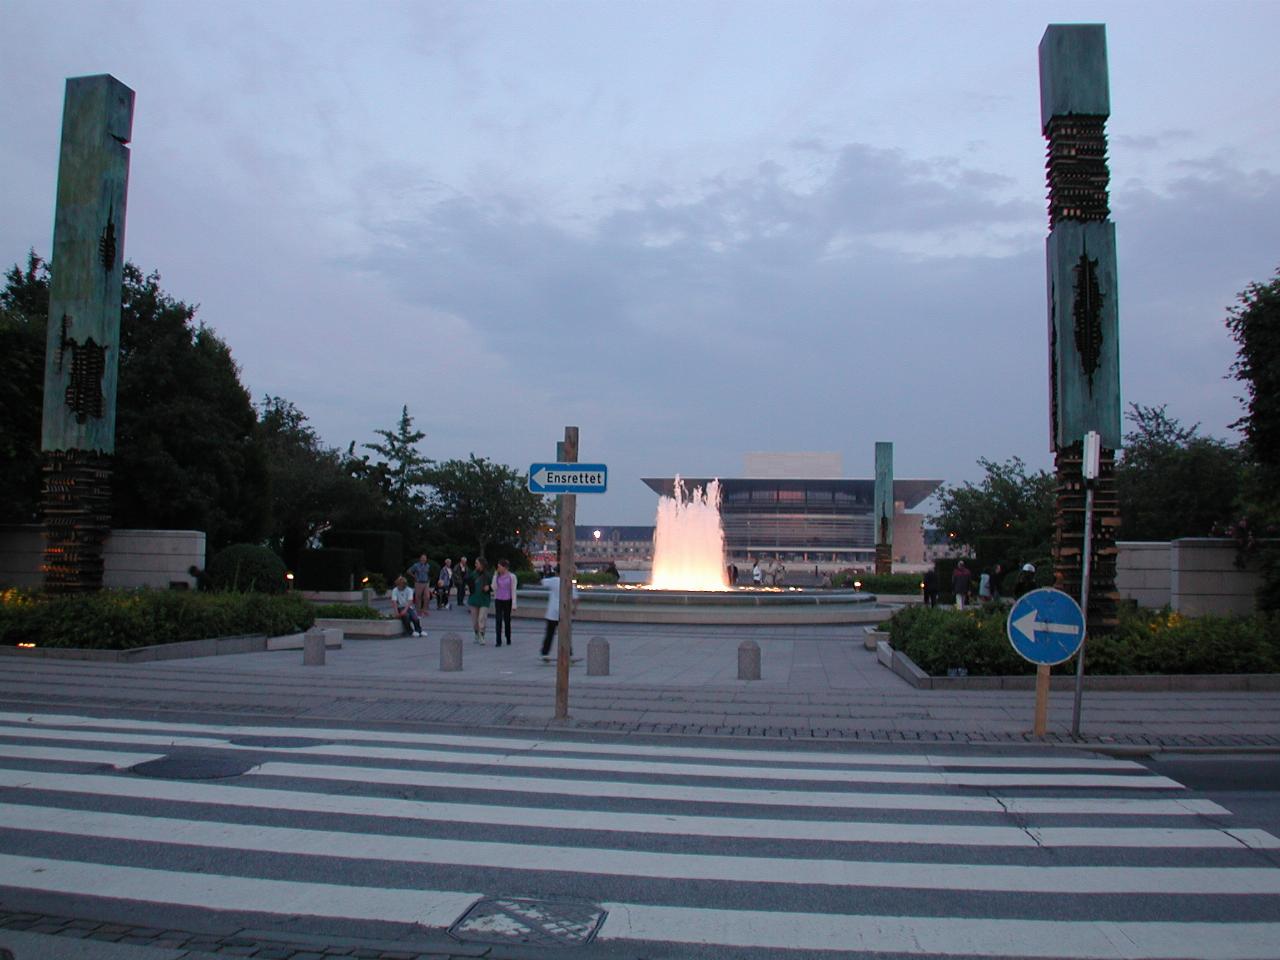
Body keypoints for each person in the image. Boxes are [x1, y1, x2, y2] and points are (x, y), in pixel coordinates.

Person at [539, 565, 579, 659]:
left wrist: (543, 574)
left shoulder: (553, 581)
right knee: (565, 634)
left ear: (556, 572)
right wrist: (574, 609)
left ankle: (545, 653)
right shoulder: (569, 582)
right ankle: (569, 653)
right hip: (565, 612)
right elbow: (576, 598)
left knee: (549, 634)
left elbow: (542, 582)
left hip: (552, 612)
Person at [491, 558, 518, 647]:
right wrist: (495, 576)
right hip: (498, 599)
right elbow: (494, 587)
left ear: (504, 567)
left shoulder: (512, 577)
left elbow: (513, 590)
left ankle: (508, 637)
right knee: (498, 620)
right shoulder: (497, 576)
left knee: (507, 620)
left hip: (507, 600)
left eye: (499, 567)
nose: (498, 568)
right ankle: (498, 640)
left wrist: (514, 604)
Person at [466, 558, 492, 645]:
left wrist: (489, 588)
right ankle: (476, 633)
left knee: (482, 618)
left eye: (477, 563)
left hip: (484, 600)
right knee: (474, 621)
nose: (475, 565)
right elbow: (468, 584)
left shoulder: (488, 575)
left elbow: (494, 585)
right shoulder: (472, 574)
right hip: (474, 599)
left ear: (482, 564)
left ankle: (482, 635)